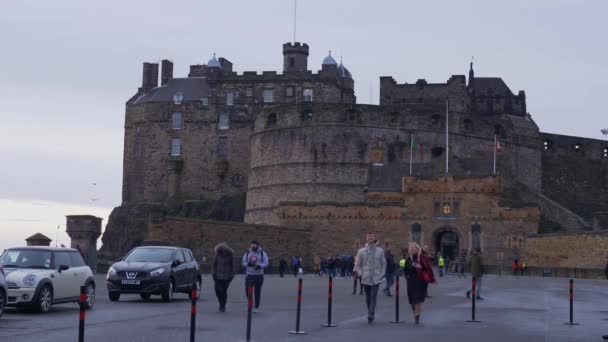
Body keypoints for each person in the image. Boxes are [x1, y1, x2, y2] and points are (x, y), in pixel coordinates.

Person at [354, 232, 386, 323]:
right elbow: (357, 264)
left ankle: (371, 314)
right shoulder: (361, 251)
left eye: (372, 237)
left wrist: (381, 274)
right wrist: (361, 274)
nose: (370, 238)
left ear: (374, 239)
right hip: (365, 277)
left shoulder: (380, 251)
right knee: (368, 297)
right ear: (366, 239)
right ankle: (369, 311)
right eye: (368, 237)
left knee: (373, 296)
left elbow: (383, 263)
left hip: (376, 277)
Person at [404, 242, 435, 324]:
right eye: (411, 248)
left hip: (421, 281)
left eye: (414, 247)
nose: (413, 249)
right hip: (411, 282)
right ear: (409, 250)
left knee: (418, 299)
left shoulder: (422, 258)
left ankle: (417, 315)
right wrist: (407, 276)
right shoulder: (408, 259)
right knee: (412, 300)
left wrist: (420, 267)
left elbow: (427, 269)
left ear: (418, 249)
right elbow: (405, 271)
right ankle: (415, 312)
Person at [242, 240, 269, 313]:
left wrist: (260, 266)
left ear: (257, 245)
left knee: (257, 292)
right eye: (252, 244)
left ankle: (256, 307)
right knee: (248, 291)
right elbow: (243, 262)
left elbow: (266, 263)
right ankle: (250, 304)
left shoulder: (262, 253)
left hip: (259, 276)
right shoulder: (247, 253)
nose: (253, 246)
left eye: (254, 245)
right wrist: (248, 264)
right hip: (249, 275)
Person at [212, 242, 235, 312]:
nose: (222, 251)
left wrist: (231, 276)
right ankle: (221, 303)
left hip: (226, 277)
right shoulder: (217, 255)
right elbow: (213, 264)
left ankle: (223, 306)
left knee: (224, 291)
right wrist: (213, 274)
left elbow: (233, 266)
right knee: (217, 290)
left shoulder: (230, 256)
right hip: (217, 276)